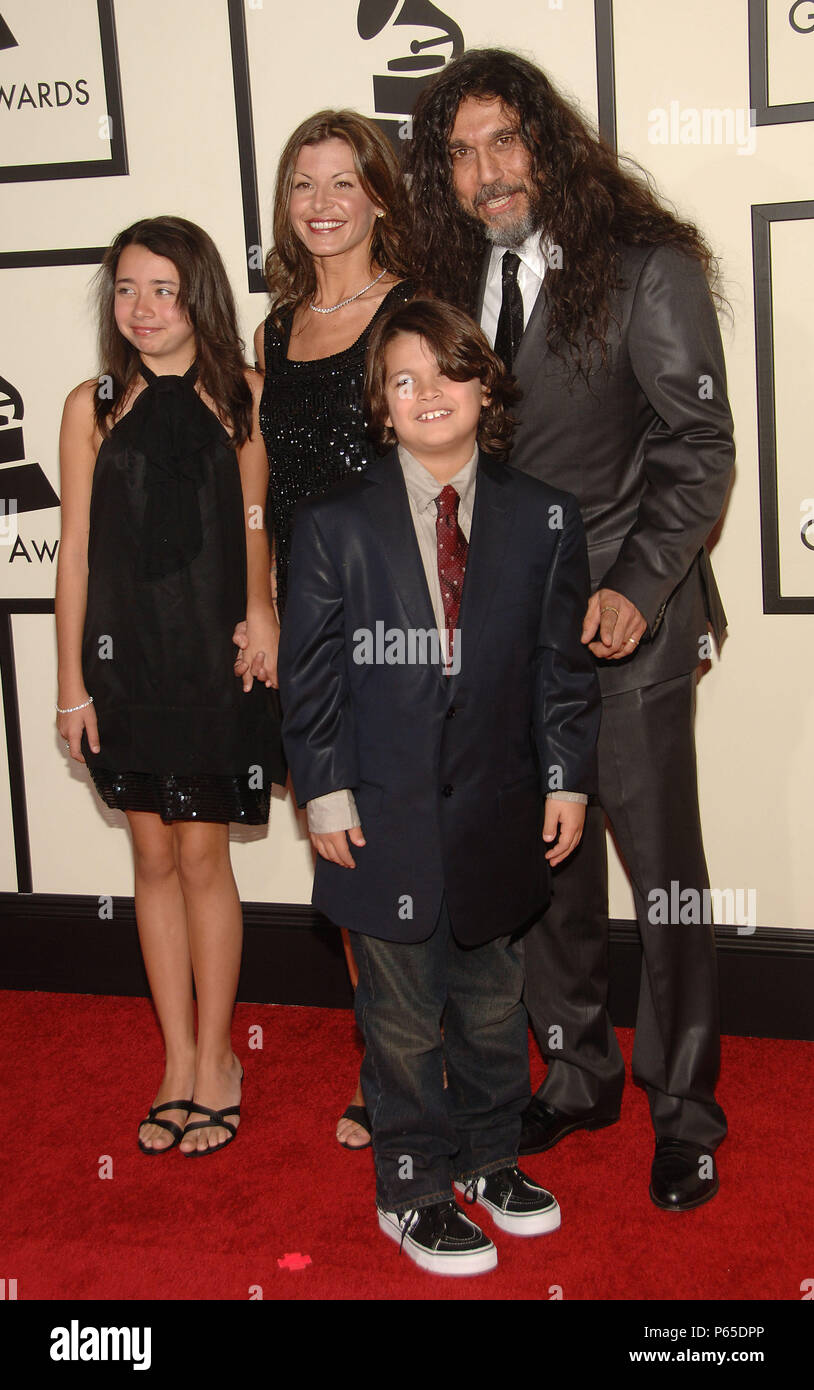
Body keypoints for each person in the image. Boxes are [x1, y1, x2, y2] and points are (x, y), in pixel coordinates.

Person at [406, 49, 734, 1210]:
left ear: (547, 144)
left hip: (629, 621)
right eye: (459, 152)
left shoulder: (645, 269)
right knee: (547, 868)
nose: (486, 172)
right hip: (509, 635)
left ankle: (686, 1108)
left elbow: (699, 453)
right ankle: (582, 1070)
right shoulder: (448, 290)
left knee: (665, 880)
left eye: (504, 141)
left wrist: (640, 587)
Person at [278, 297, 600, 1274]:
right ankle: (412, 1181)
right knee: (405, 1016)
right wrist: (324, 792)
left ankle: (490, 1156)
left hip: (498, 818)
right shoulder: (335, 522)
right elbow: (313, 673)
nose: (427, 394)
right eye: (403, 378)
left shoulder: (544, 515)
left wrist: (566, 780)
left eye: (447, 372)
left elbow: (561, 668)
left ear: (484, 385)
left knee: (496, 1002)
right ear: (380, 402)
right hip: (382, 820)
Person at [55, 216, 284, 1157]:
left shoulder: (247, 397)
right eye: (125, 290)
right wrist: (71, 683)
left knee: (203, 863)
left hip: (213, 656)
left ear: (200, 295)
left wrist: (264, 613)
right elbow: (73, 555)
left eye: (163, 288)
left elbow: (261, 525)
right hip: (126, 661)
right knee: (149, 863)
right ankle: (178, 1058)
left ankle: (222, 1057)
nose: (143, 309)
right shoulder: (89, 405)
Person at [233, 109, 415, 1149]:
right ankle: (384, 1054)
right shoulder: (275, 327)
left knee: (407, 843)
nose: (320, 204)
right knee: (340, 847)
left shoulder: (413, 314)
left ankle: (421, 1055)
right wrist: (261, 603)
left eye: (342, 182)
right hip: (307, 624)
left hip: (395, 620)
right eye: (303, 184)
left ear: (379, 196)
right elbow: (264, 482)